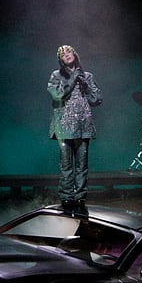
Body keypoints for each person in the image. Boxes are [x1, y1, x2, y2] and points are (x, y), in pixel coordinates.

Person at [48, 45, 102, 215]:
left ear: (74, 54)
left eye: (68, 51)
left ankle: (80, 197)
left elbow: (97, 99)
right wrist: (72, 79)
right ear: (60, 60)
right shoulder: (56, 76)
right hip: (64, 126)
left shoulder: (87, 76)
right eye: (62, 54)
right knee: (66, 164)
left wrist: (86, 86)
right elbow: (58, 95)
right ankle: (66, 196)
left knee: (82, 164)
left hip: (83, 126)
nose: (66, 54)